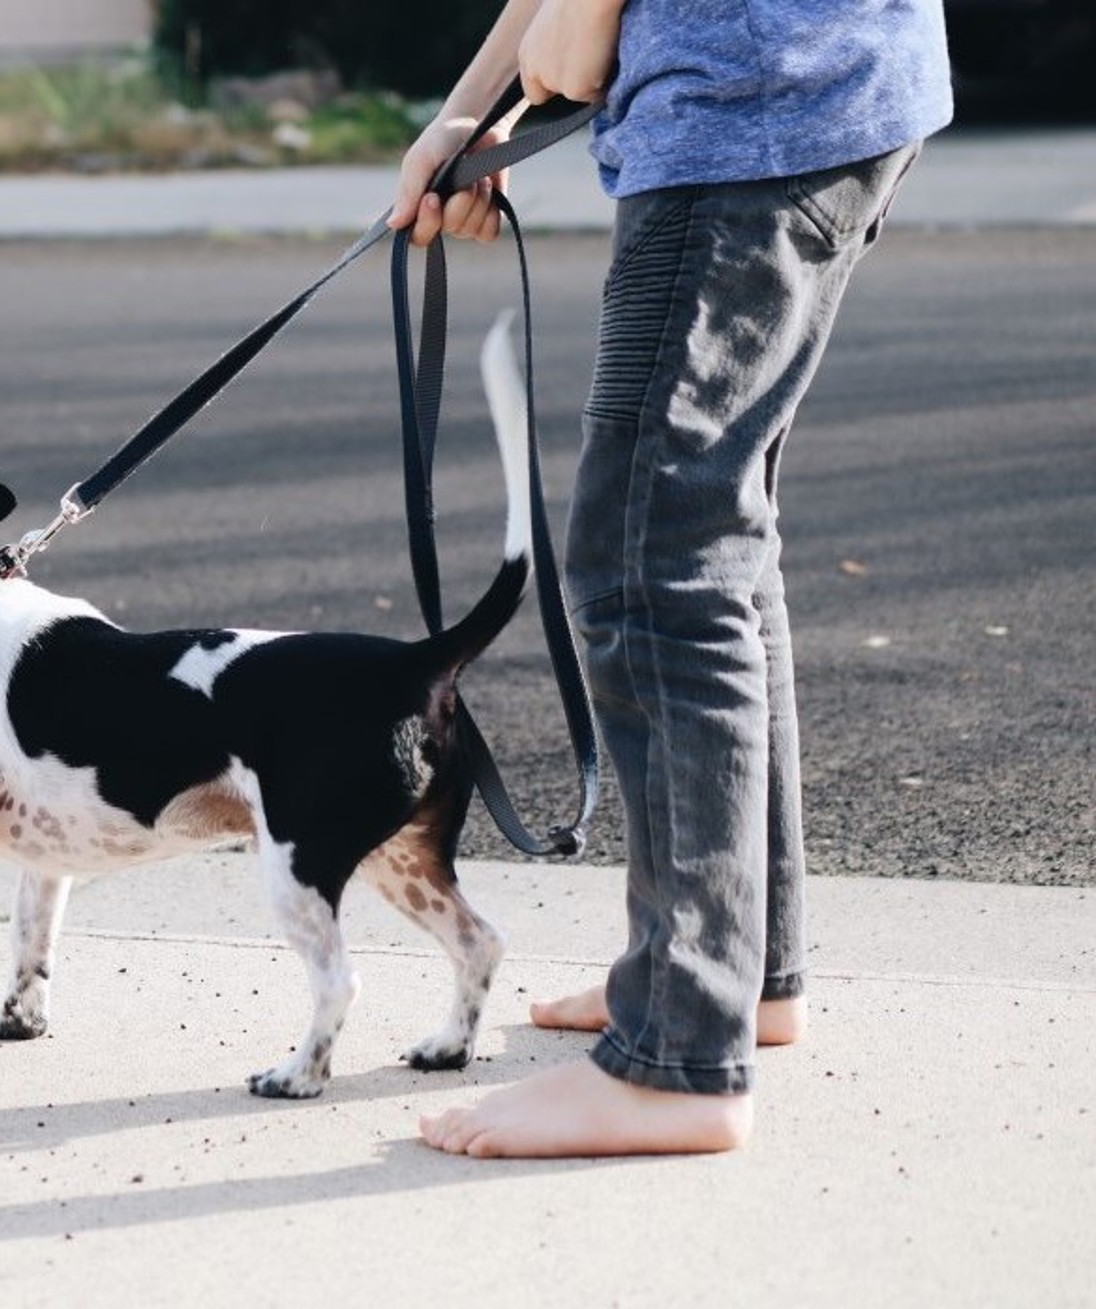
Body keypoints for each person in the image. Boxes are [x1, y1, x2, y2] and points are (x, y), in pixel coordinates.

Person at [388, 0, 952, 1157]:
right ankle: (739, 978)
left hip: (749, 95)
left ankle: (676, 1056)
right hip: (815, 80)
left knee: (654, 559)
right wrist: (473, 107)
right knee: (711, 539)